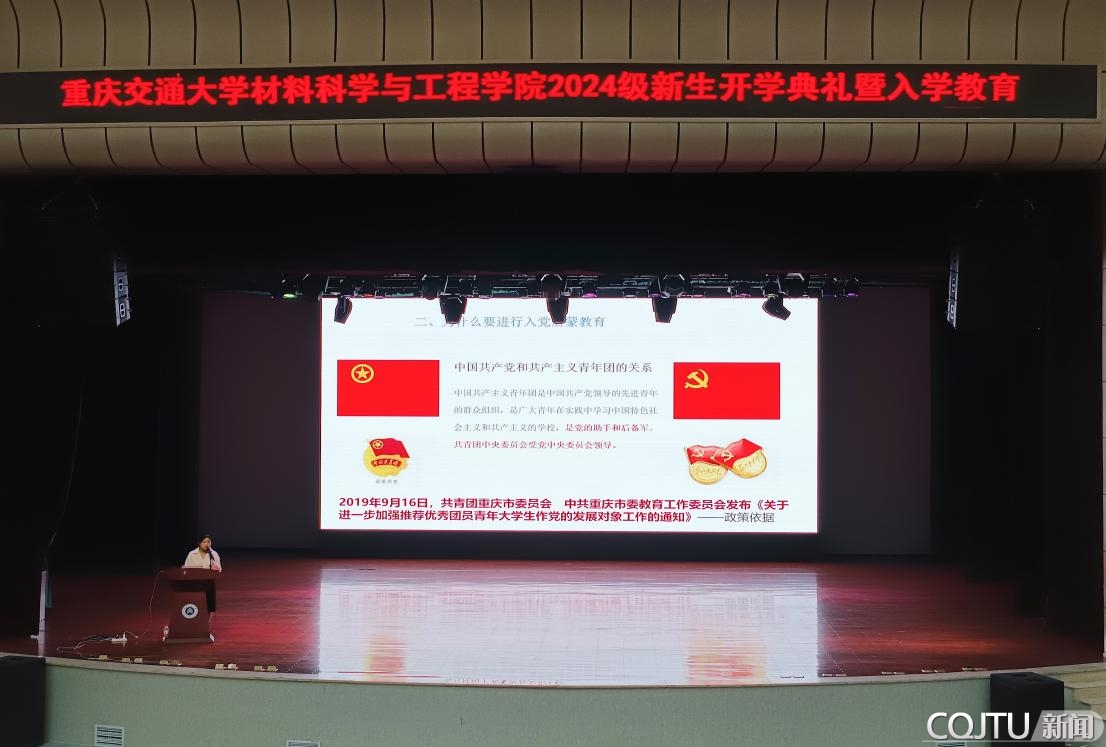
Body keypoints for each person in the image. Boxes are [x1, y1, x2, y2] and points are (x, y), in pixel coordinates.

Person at [182, 533, 221, 614]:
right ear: (199, 543)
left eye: (208, 542)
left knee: (208, 608)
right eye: (204, 542)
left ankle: (207, 620)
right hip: (194, 584)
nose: (206, 544)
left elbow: (219, 570)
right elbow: (186, 568)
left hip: (208, 584)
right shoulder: (192, 554)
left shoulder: (214, 554)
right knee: (195, 606)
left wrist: (214, 566)